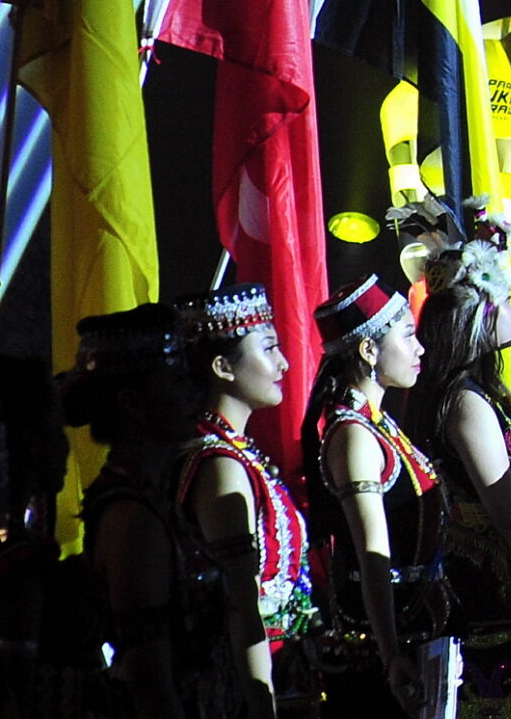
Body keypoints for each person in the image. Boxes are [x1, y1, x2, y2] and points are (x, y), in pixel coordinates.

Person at [405, 239, 511, 719]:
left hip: (501, 584)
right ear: (479, 315)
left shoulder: (480, 391)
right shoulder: (465, 403)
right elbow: (507, 512)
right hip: (499, 593)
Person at [63, 303, 247, 719]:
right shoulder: (132, 519)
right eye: (176, 379)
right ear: (133, 403)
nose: (193, 393)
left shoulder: (151, 499)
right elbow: (151, 683)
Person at [302, 277, 448, 719]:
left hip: (414, 627)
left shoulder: (377, 423)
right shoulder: (354, 436)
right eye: (408, 335)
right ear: (368, 350)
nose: (419, 348)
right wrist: (392, 657)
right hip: (385, 645)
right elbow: (373, 558)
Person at [176, 284, 318, 717]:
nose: (284, 363)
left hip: (274, 669)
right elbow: (241, 601)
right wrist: (262, 704)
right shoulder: (219, 463)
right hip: (241, 681)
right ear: (222, 366)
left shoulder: (237, 453)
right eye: (269, 348)